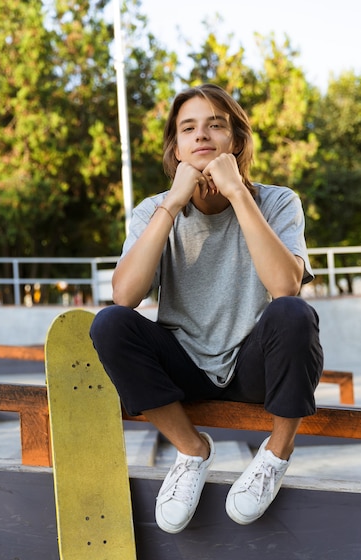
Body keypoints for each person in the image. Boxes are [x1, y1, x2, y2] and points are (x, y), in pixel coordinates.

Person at [90, 83, 323, 534]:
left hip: (253, 367)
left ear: (235, 141)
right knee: (111, 324)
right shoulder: (153, 210)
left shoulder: (277, 201)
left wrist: (238, 193)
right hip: (185, 366)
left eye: (215, 125)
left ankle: (276, 453)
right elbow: (125, 296)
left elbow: (285, 285)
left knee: (293, 314)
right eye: (188, 128)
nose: (201, 136)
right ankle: (192, 450)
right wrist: (173, 205)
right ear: (176, 147)